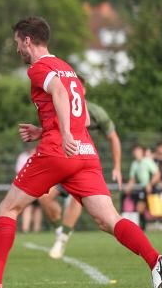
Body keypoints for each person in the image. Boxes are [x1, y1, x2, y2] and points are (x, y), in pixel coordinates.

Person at [0, 17, 162, 288]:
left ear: (28, 41)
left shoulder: (38, 68)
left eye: (17, 43)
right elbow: (78, 108)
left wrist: (63, 134)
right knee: (109, 219)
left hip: (59, 150)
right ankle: (155, 261)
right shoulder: (67, 68)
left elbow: (58, 92)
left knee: (8, 208)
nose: (17, 49)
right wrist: (46, 129)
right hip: (85, 152)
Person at [40, 101, 122, 258]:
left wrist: (117, 167)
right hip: (63, 162)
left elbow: (114, 138)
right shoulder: (59, 105)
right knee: (44, 196)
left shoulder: (97, 112)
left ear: (83, 88)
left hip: (85, 164)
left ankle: (62, 239)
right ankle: (60, 231)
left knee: (79, 201)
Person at [124, 144, 161, 219]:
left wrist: (150, 184)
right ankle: (143, 225)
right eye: (135, 152)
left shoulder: (147, 161)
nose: (136, 153)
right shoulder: (134, 164)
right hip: (143, 189)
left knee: (148, 209)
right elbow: (132, 179)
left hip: (152, 188)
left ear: (142, 152)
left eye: (138, 151)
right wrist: (128, 188)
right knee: (139, 208)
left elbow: (157, 174)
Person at [14, 144, 41, 233]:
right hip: (27, 185)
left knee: (38, 208)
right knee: (27, 207)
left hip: (39, 185)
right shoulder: (22, 157)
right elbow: (19, 171)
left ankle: (36, 229)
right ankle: (25, 229)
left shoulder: (40, 156)